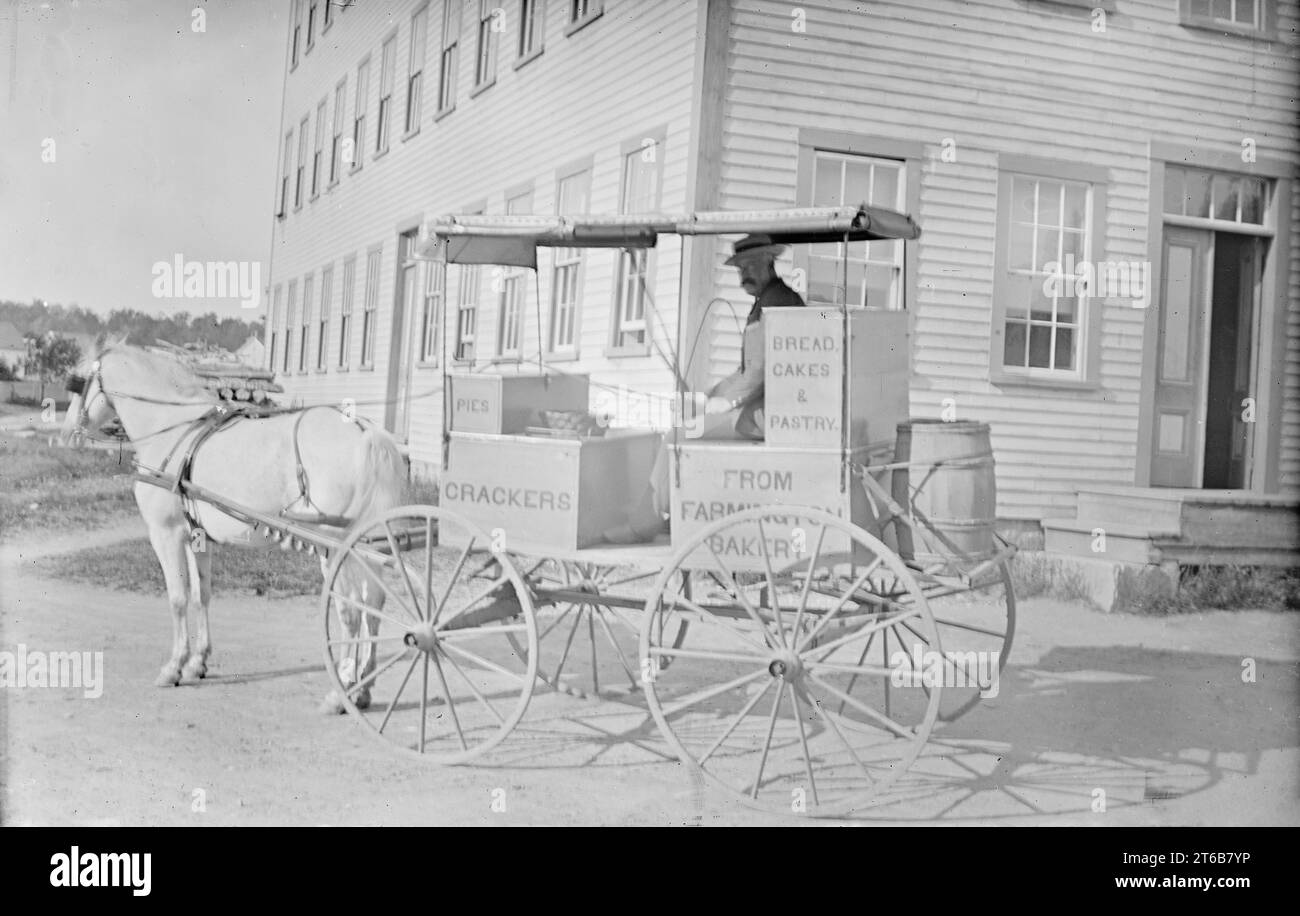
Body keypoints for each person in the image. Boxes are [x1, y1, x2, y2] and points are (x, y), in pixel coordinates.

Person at [602, 234, 807, 544]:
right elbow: (746, 369)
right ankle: (680, 512)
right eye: (740, 269)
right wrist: (709, 396)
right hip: (764, 408)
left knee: (678, 436)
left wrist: (727, 403)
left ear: (769, 263)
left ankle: (645, 524)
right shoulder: (770, 300)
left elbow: (761, 371)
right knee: (688, 427)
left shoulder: (777, 304)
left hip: (769, 415)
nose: (744, 275)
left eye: (750, 266)